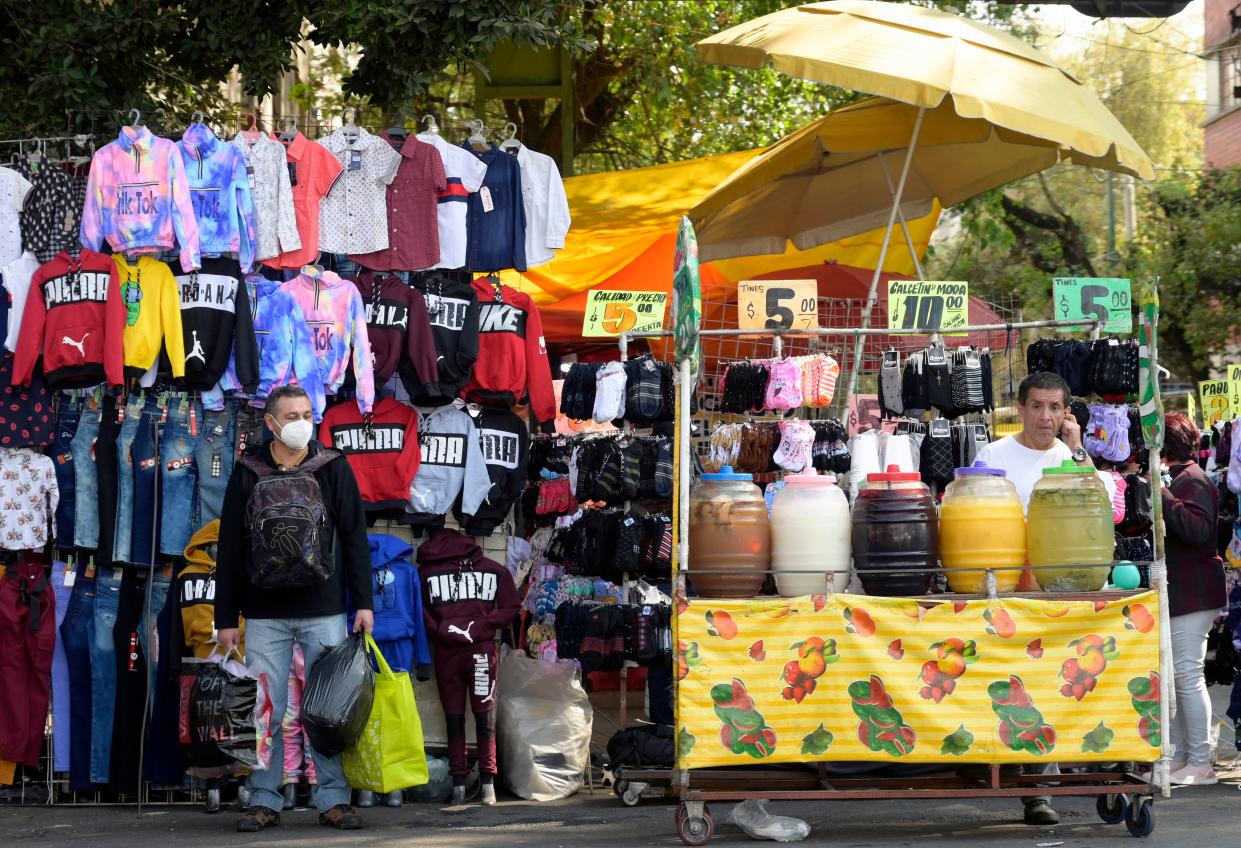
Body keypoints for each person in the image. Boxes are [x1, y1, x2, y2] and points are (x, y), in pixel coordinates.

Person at [215, 385, 375, 832]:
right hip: (263, 610)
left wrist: (363, 602)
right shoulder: (247, 470)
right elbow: (228, 547)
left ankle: (333, 798)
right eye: (291, 415)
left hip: (323, 605)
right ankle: (265, 798)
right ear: (270, 423)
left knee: (329, 706)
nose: (301, 421)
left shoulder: (333, 467)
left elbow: (354, 537)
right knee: (266, 706)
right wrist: (225, 617)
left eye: (307, 413)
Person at [974, 370, 1115, 827]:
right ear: (1021, 408)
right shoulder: (993, 454)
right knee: (1007, 687)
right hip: (1006, 592)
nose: (1046, 416)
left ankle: (1039, 789)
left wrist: (1078, 449)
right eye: (1037, 406)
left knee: (1050, 687)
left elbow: (1102, 506)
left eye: (1055, 407)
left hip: (1055, 594)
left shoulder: (1071, 458)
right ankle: (1003, 769)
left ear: (1066, 412)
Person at [1160, 412, 1226, 786]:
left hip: (1195, 591)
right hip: (1188, 591)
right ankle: (1187, 756)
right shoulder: (1187, 478)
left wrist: (1163, 493)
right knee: (1182, 675)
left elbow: (1198, 530)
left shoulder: (1194, 480)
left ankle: (1200, 761)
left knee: (1187, 674)